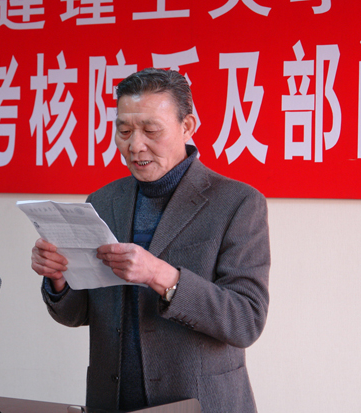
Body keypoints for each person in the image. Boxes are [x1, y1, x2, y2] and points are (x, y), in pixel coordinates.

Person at [31, 68, 270, 412]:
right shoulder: (102, 202)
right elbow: (78, 314)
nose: (135, 145)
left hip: (198, 402)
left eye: (151, 130)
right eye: (124, 131)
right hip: (112, 400)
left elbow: (246, 320)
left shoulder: (237, 203)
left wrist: (161, 276)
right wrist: (58, 279)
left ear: (187, 126)